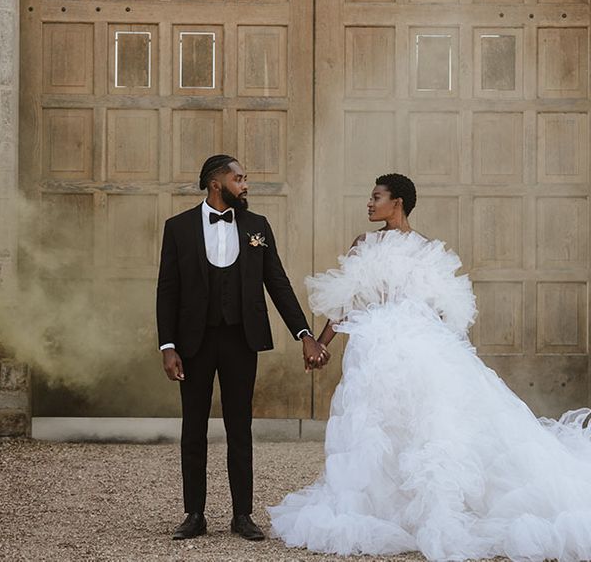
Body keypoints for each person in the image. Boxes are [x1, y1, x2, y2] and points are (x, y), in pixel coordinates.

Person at [269, 173, 591, 562]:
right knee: (376, 429)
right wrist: (321, 343)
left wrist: (447, 356)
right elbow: (346, 302)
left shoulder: (426, 250)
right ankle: (384, 506)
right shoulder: (363, 244)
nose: (369, 204)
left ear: (398, 202)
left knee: (427, 426)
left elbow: (443, 312)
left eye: (376, 197)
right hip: (372, 350)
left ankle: (433, 505)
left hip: (417, 348)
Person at [156, 154, 328, 541]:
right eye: (240, 178)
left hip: (241, 339)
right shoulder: (178, 228)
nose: (246, 185)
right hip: (193, 343)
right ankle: (194, 514)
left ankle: (242, 515)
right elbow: (167, 290)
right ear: (217, 183)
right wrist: (168, 345)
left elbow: (278, 284)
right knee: (193, 428)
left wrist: (304, 334)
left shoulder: (256, 226)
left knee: (240, 427)